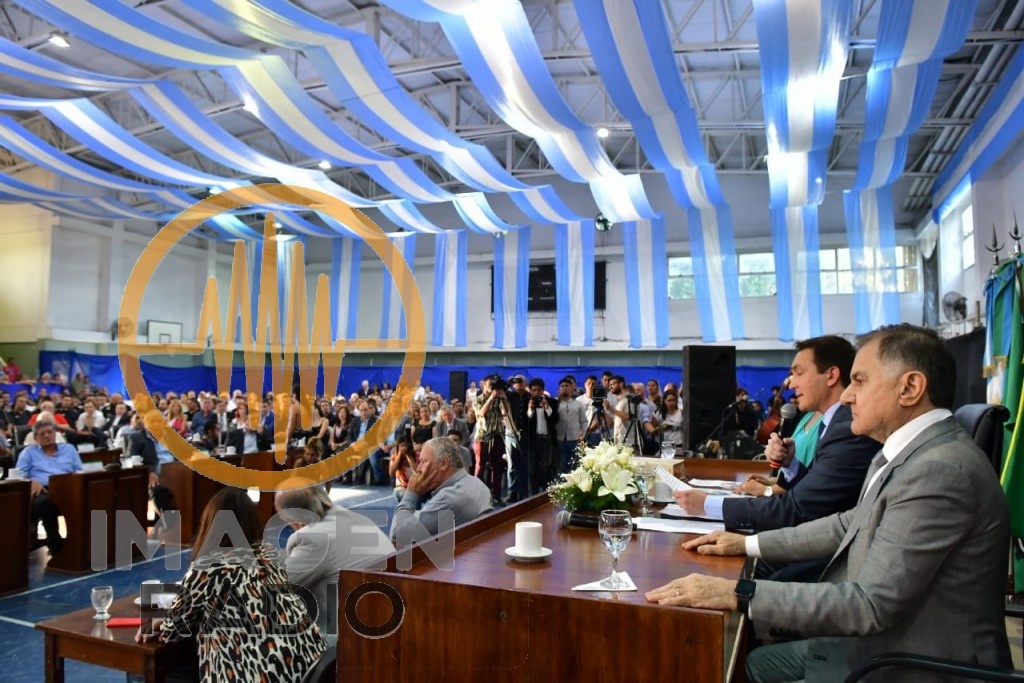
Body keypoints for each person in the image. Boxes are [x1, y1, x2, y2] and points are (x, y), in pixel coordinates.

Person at [648, 324, 1012, 682]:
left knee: (733, 661)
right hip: (883, 644)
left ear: (910, 388)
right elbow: (849, 524)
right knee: (751, 660)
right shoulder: (910, 452)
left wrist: (735, 591)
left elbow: (868, 605)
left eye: (860, 381)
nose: (848, 396)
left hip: (913, 664)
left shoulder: (938, 470)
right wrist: (747, 544)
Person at [675, 335, 879, 536]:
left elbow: (798, 509)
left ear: (831, 376)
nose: (791, 384)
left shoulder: (847, 428)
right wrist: (791, 464)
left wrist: (707, 504)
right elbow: (814, 490)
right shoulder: (832, 422)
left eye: (799, 373)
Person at [138, 488, 326, 681]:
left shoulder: (208, 569)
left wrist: (160, 622)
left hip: (260, 675)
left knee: (155, 670)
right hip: (304, 666)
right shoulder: (270, 554)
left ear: (210, 524)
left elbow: (171, 631)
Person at [274, 484, 394, 638]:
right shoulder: (355, 518)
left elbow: (275, 591)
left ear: (296, 520)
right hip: (384, 620)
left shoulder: (311, 539)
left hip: (348, 638)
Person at [390, 437, 491, 545]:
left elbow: (397, 536)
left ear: (444, 463)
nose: (418, 468)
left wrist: (411, 493)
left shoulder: (448, 499)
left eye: (423, 461)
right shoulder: (478, 484)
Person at [16, 420, 83, 554]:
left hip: (68, 488)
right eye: (42, 434)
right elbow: (18, 474)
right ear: (36, 438)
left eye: (50, 432)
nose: (47, 435)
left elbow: (79, 470)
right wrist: (30, 481)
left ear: (55, 434)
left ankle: (82, 542)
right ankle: (55, 544)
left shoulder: (69, 449)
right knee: (44, 502)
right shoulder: (28, 452)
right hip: (42, 490)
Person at [553, 377, 587, 474]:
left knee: (574, 465)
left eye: (567, 386)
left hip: (574, 439)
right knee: (561, 465)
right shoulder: (555, 403)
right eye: (562, 386)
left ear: (571, 388)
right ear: (559, 389)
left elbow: (584, 421)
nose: (564, 388)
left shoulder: (578, 404)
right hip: (559, 439)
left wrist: (583, 436)